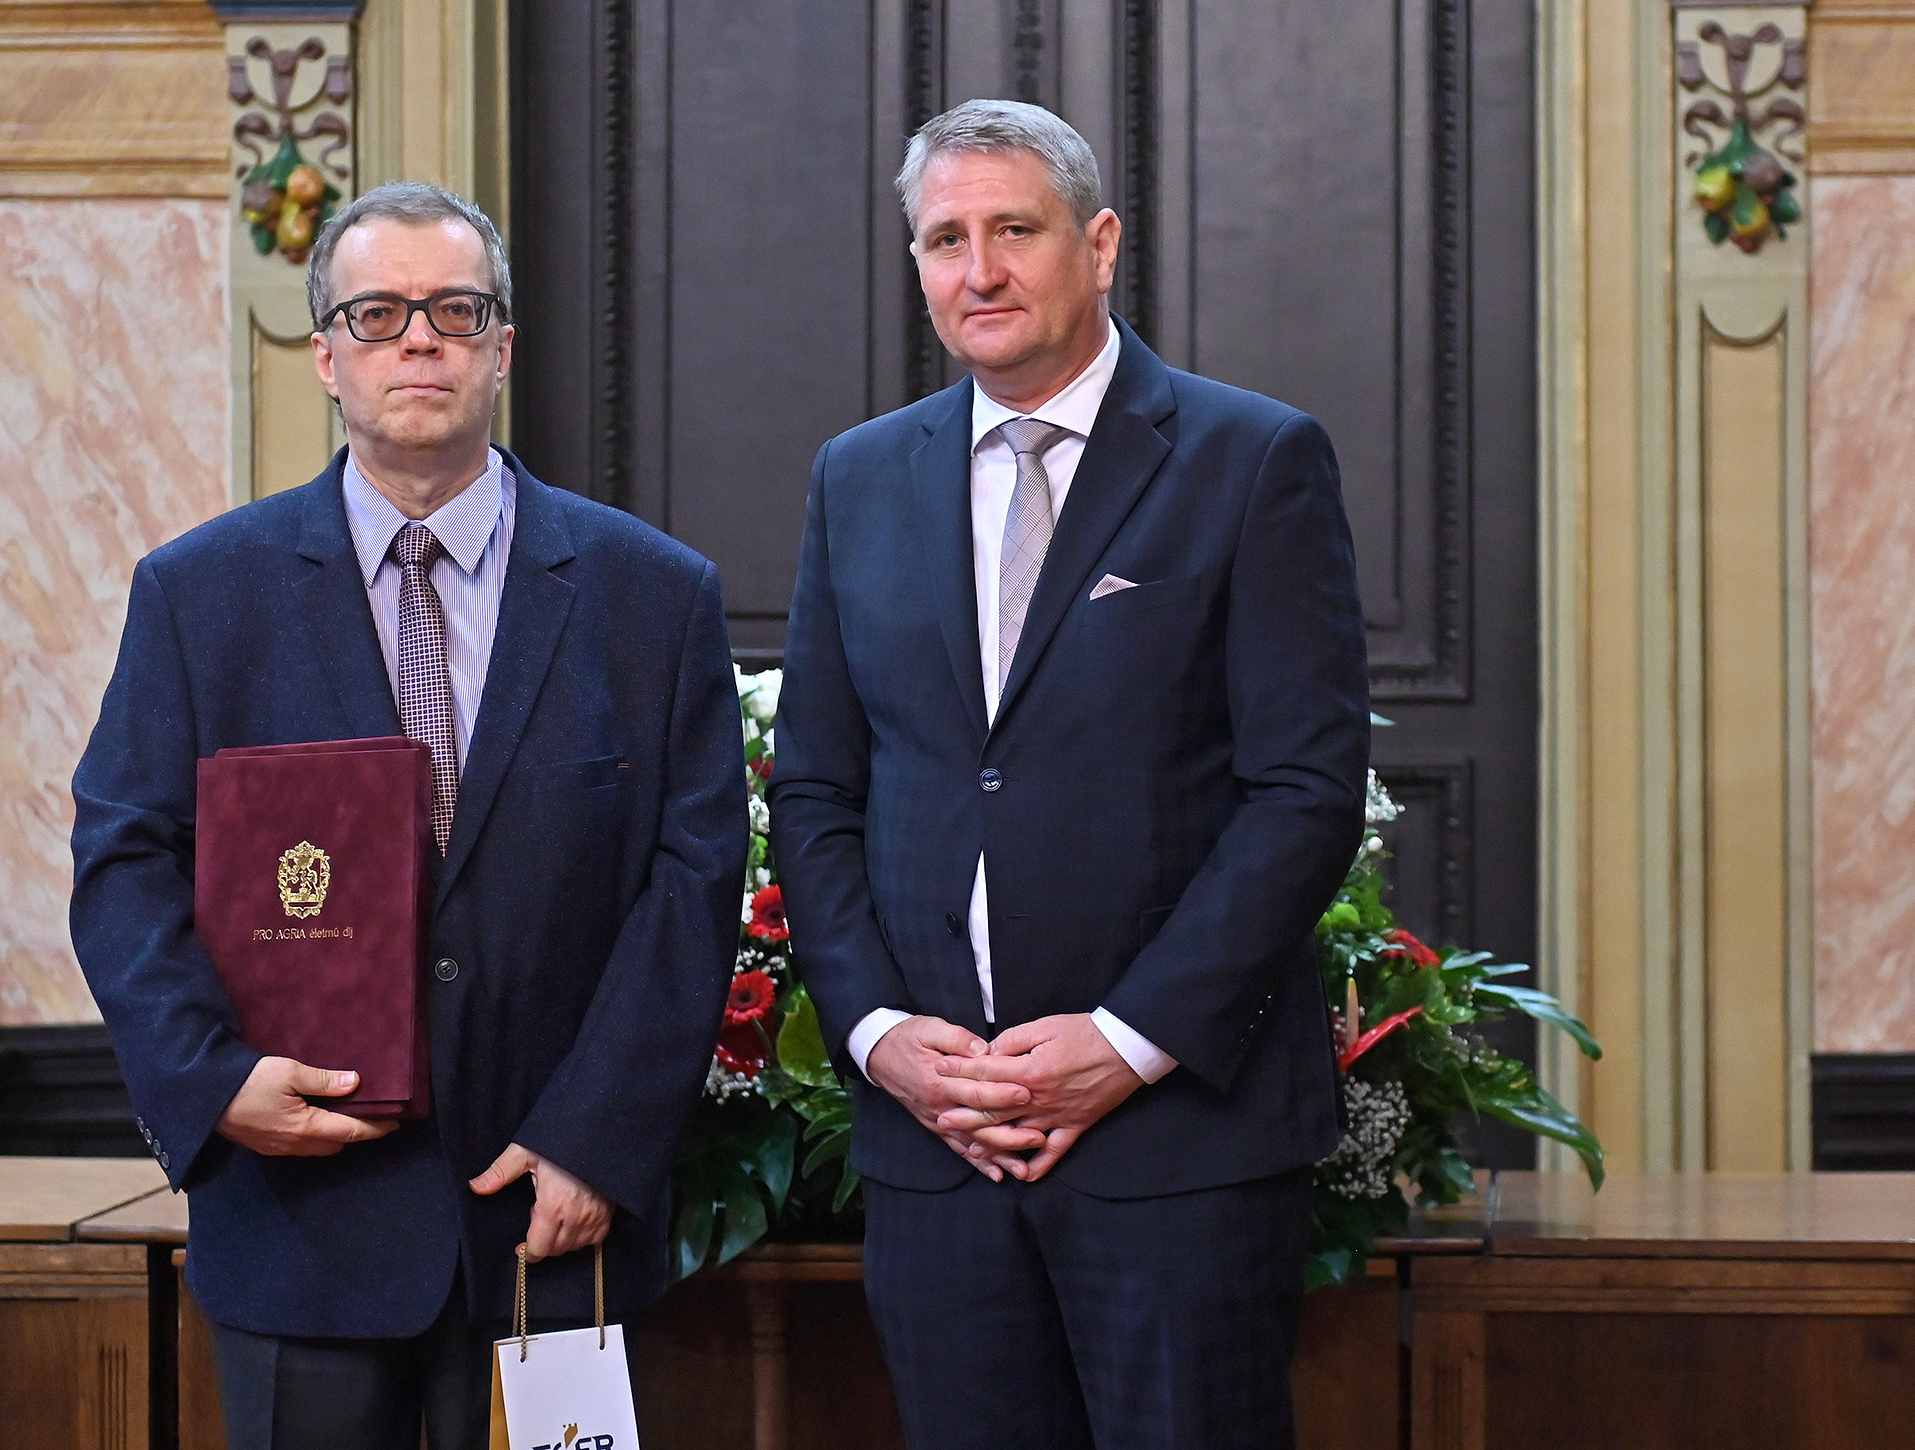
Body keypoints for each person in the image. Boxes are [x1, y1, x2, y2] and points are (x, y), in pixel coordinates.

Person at [70, 182, 746, 1450]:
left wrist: (598, 1141)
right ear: (326, 356)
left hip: (553, 1219)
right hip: (301, 1221)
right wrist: (212, 1082)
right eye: (377, 314)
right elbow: (124, 865)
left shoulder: (651, 597)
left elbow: (692, 881)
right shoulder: (200, 596)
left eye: (455, 310)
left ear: (502, 346)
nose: (419, 340)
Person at [769, 101, 1370, 1450]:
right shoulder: (857, 479)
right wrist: (881, 1036)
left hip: (1176, 1149)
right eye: (945, 240)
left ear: (1098, 245)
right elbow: (813, 789)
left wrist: (1123, 1042)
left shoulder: (1250, 459)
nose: (978, 271)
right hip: (939, 1146)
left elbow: (1304, 789)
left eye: (1013, 231)